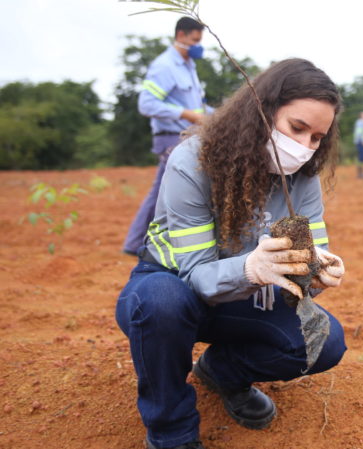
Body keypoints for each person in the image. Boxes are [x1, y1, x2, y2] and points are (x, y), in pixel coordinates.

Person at [115, 59, 347, 449]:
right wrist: (250, 267)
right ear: (261, 111)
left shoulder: (303, 178)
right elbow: (194, 274)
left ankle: (221, 372)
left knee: (323, 341)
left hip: (249, 296)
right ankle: (171, 432)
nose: (305, 148)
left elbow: (303, 264)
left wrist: (315, 273)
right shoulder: (193, 161)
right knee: (161, 302)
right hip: (177, 285)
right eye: (297, 128)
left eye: (317, 138)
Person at [121, 16, 213, 255]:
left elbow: (197, 108)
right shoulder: (165, 66)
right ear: (181, 36)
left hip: (186, 136)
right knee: (163, 192)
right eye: (194, 40)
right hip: (172, 137)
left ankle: (137, 243)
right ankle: (135, 244)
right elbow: (147, 104)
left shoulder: (188, 67)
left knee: (165, 190)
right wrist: (187, 115)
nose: (197, 45)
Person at [353, 111, 363, 179]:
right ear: (362, 116)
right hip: (361, 142)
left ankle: (360, 173)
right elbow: (359, 133)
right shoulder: (361, 123)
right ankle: (360, 174)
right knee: (361, 158)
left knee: (361, 158)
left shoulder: (361, 123)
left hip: (360, 142)